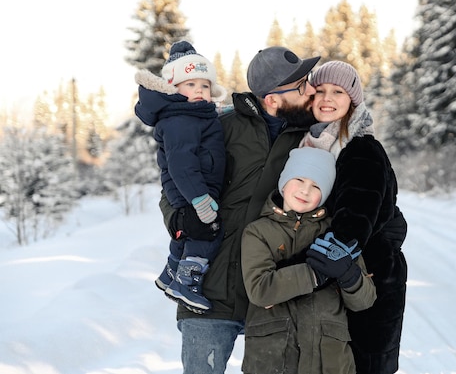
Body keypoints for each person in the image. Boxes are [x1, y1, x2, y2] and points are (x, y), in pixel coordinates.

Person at [157, 46, 321, 374]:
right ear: (273, 98)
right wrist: (181, 220)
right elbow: (174, 181)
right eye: (301, 85)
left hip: (272, 296)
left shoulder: (312, 141)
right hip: (210, 291)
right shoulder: (221, 126)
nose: (311, 91)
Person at [301, 60, 408, 374]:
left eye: (338, 91)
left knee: (366, 363)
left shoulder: (360, 147)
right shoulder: (312, 143)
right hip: (344, 275)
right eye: (319, 91)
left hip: (371, 275)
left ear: (353, 100)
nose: (327, 98)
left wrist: (330, 250)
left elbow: (357, 213)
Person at [241, 146, 376, 374]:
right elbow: (260, 290)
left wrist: (347, 274)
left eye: (316, 186)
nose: (305, 191)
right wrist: (316, 274)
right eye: (299, 179)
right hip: (273, 359)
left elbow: (364, 301)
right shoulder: (258, 232)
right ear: (283, 181)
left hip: (330, 360)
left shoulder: (336, 235)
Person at [134, 40, 228, 313]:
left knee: (185, 235)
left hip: (192, 187)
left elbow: (209, 121)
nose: (199, 91)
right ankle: (186, 282)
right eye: (191, 85)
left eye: (205, 86)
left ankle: (169, 275)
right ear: (173, 88)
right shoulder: (180, 120)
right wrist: (199, 198)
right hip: (191, 189)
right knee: (207, 233)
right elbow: (181, 164)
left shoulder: (190, 114)